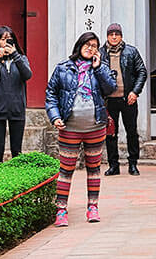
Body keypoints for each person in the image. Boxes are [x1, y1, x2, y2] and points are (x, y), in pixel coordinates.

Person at [46, 32, 118, 227]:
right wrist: (55, 117)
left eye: (94, 45)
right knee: (66, 169)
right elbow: (51, 94)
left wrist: (98, 68)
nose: (90, 48)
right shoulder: (63, 68)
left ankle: (92, 207)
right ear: (79, 46)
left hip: (95, 126)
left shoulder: (101, 68)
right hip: (69, 127)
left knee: (94, 168)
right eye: (87, 44)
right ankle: (61, 210)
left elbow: (111, 88)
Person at [0, 26, 32, 167]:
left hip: (17, 109)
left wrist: (15, 55)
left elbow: (27, 75)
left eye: (8, 39)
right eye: (2, 39)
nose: (5, 42)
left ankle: (17, 180)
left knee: (17, 151)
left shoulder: (21, 58)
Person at [101, 23, 146, 176]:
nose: (114, 37)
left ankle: (133, 163)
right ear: (107, 36)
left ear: (121, 36)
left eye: (117, 34)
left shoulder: (131, 51)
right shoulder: (100, 54)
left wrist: (135, 92)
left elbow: (142, 72)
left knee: (131, 132)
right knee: (110, 133)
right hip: (109, 101)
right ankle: (113, 165)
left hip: (128, 99)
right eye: (111, 34)